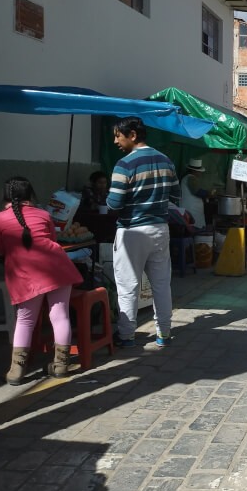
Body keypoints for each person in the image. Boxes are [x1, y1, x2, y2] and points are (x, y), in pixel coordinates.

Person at [0, 177, 83, 384]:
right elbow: (53, 240)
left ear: (5, 196)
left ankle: (17, 371)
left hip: (26, 274)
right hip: (58, 268)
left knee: (25, 320)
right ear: (30, 195)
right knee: (60, 316)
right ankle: (61, 365)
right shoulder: (44, 214)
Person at [107, 117, 180, 348]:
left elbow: (114, 204)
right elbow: (176, 197)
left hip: (132, 232)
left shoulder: (124, 164)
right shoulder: (166, 161)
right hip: (159, 229)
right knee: (161, 284)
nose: (116, 141)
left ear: (133, 135)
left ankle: (127, 335)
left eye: (118, 135)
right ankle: (164, 334)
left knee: (128, 286)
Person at [179, 158, 208, 230]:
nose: (200, 173)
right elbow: (197, 191)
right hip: (191, 208)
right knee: (194, 226)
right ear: (194, 171)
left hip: (191, 207)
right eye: (199, 171)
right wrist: (209, 193)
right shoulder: (191, 178)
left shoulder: (188, 178)